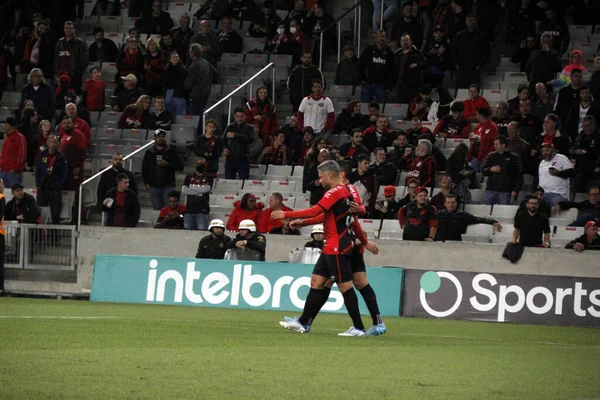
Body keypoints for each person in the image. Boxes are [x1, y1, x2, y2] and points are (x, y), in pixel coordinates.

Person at [274, 160, 372, 336]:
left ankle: (358, 327)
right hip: (331, 246)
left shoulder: (336, 191)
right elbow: (325, 216)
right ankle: (304, 322)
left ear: (329, 175)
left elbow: (315, 211)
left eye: (321, 177)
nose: (320, 181)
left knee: (345, 286)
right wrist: (301, 222)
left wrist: (287, 214)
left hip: (337, 247)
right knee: (317, 281)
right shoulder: (345, 192)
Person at [142, 129, 184, 210]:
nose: (161, 138)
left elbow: (180, 167)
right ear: (155, 138)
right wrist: (146, 183)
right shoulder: (149, 152)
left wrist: (168, 164)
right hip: (153, 187)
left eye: (163, 137)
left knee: (169, 210)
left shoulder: (172, 152)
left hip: (168, 187)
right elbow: (144, 168)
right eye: (159, 137)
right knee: (157, 211)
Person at [436, 194, 502, 241]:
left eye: (453, 202)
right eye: (448, 203)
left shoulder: (462, 214)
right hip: (440, 242)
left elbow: (478, 219)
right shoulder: (439, 214)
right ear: (445, 204)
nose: (451, 205)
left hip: (456, 243)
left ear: (456, 203)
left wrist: (492, 222)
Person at [35, 135, 67, 225]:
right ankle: (40, 235)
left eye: (55, 142)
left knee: (55, 213)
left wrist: (59, 186)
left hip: (55, 189)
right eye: (51, 142)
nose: (53, 144)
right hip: (43, 187)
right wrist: (38, 183)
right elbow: (38, 170)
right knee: (40, 212)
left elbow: (64, 173)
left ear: (57, 144)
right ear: (47, 143)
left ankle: (55, 237)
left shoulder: (61, 157)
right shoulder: (42, 155)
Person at [482, 136, 523, 205]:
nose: (494, 146)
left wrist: (515, 190)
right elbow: (483, 171)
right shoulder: (491, 156)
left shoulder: (514, 157)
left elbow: (519, 176)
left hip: (505, 191)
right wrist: (491, 169)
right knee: (484, 210)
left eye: (496, 144)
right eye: (494, 144)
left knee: (502, 213)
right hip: (490, 189)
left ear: (503, 145)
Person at [451, 14, 489, 89]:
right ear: (466, 22)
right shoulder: (459, 35)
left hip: (475, 69)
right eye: (470, 20)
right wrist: (455, 63)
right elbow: (453, 50)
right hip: (461, 68)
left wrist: (480, 65)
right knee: (460, 91)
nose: (472, 22)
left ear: (477, 22)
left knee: (474, 92)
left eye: (474, 20)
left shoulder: (482, 36)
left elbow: (486, 53)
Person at [53, 21, 88, 93]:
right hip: (60, 77)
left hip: (73, 78)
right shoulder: (59, 42)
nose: (68, 30)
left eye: (70, 28)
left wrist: (77, 75)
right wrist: (56, 74)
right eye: (66, 28)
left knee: (73, 100)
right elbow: (56, 59)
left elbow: (84, 61)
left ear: (74, 30)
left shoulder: (80, 43)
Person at [181, 156, 213, 231]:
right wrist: (199, 191)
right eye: (199, 164)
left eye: (203, 164)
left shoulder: (209, 177)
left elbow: (206, 189)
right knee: (186, 233)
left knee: (201, 232)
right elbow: (184, 190)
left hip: (202, 210)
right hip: (189, 210)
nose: (201, 165)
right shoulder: (189, 176)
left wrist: (191, 188)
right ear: (195, 165)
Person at [223, 107, 254, 180]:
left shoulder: (250, 128)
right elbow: (223, 139)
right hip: (230, 159)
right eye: (238, 116)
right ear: (234, 116)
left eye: (242, 116)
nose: (240, 119)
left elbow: (249, 139)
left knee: (243, 183)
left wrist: (235, 135)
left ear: (245, 116)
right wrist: (224, 148)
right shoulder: (230, 127)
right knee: (229, 183)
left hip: (243, 159)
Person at [394, 34, 426, 103]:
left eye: (406, 40)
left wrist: (417, 65)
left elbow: (425, 63)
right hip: (400, 85)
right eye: (403, 40)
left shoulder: (417, 53)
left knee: (411, 107)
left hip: (412, 86)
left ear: (411, 41)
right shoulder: (397, 54)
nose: (405, 42)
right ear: (400, 42)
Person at [57, 116, 86, 191]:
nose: (66, 125)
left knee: (73, 190)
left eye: (69, 123)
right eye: (64, 123)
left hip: (73, 170)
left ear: (72, 124)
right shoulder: (64, 136)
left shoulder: (78, 134)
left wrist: (78, 166)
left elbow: (82, 151)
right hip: (65, 169)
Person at [184, 43, 212, 118]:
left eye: (190, 51)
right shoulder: (205, 62)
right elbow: (216, 73)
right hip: (206, 94)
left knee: (195, 119)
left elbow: (187, 85)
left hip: (196, 96)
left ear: (192, 53)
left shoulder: (193, 66)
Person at [0, 117, 27, 188]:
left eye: (5, 124)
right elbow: (4, 154)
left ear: (10, 126)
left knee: (14, 195)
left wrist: (15, 168)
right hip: (3, 171)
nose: (4, 126)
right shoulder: (7, 138)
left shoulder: (19, 137)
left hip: (13, 173)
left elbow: (22, 155)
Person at [469, 107, 498, 173]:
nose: (476, 117)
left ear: (480, 115)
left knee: (482, 178)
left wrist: (487, 157)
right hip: (475, 157)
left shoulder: (492, 126)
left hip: (485, 158)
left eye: (477, 115)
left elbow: (494, 143)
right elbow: (473, 141)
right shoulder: (478, 126)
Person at [163, 51, 187, 116]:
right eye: (173, 57)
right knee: (170, 113)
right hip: (169, 92)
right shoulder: (167, 69)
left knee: (180, 113)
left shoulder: (183, 69)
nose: (175, 58)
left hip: (179, 93)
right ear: (170, 59)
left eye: (176, 57)